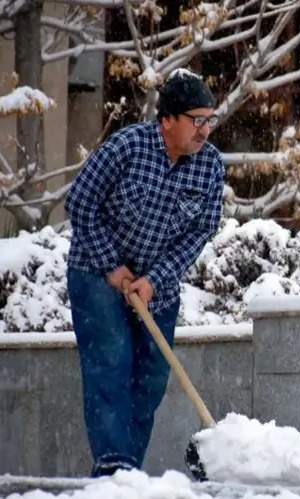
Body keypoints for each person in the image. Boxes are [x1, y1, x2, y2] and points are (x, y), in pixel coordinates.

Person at [64, 70, 224, 477]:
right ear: (168, 119)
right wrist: (113, 268)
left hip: (156, 285)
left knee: (151, 378)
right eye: (197, 120)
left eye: (211, 120)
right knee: (111, 363)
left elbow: (199, 231)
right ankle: (112, 468)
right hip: (98, 274)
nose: (205, 130)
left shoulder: (210, 166)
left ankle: (128, 474)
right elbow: (80, 202)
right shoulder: (127, 147)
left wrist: (155, 279)